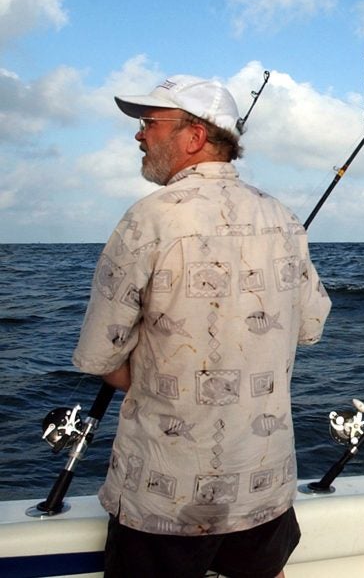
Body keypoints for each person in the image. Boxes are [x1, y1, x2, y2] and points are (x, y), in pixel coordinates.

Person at [72, 75, 331, 578]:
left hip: (164, 499)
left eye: (149, 123)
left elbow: (101, 358)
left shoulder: (146, 220)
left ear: (193, 137)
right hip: (262, 485)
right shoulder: (283, 218)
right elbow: (311, 324)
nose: (139, 135)